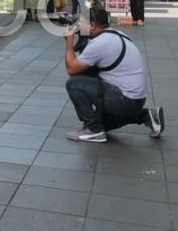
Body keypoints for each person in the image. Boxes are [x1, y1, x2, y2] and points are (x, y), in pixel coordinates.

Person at [64, 8, 163, 143]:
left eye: (81, 23)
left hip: (126, 99)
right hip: (135, 99)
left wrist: (69, 42)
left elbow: (72, 69)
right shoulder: (114, 34)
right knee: (102, 123)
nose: (78, 26)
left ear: (92, 26)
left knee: (74, 83)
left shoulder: (100, 43)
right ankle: (146, 116)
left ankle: (94, 131)